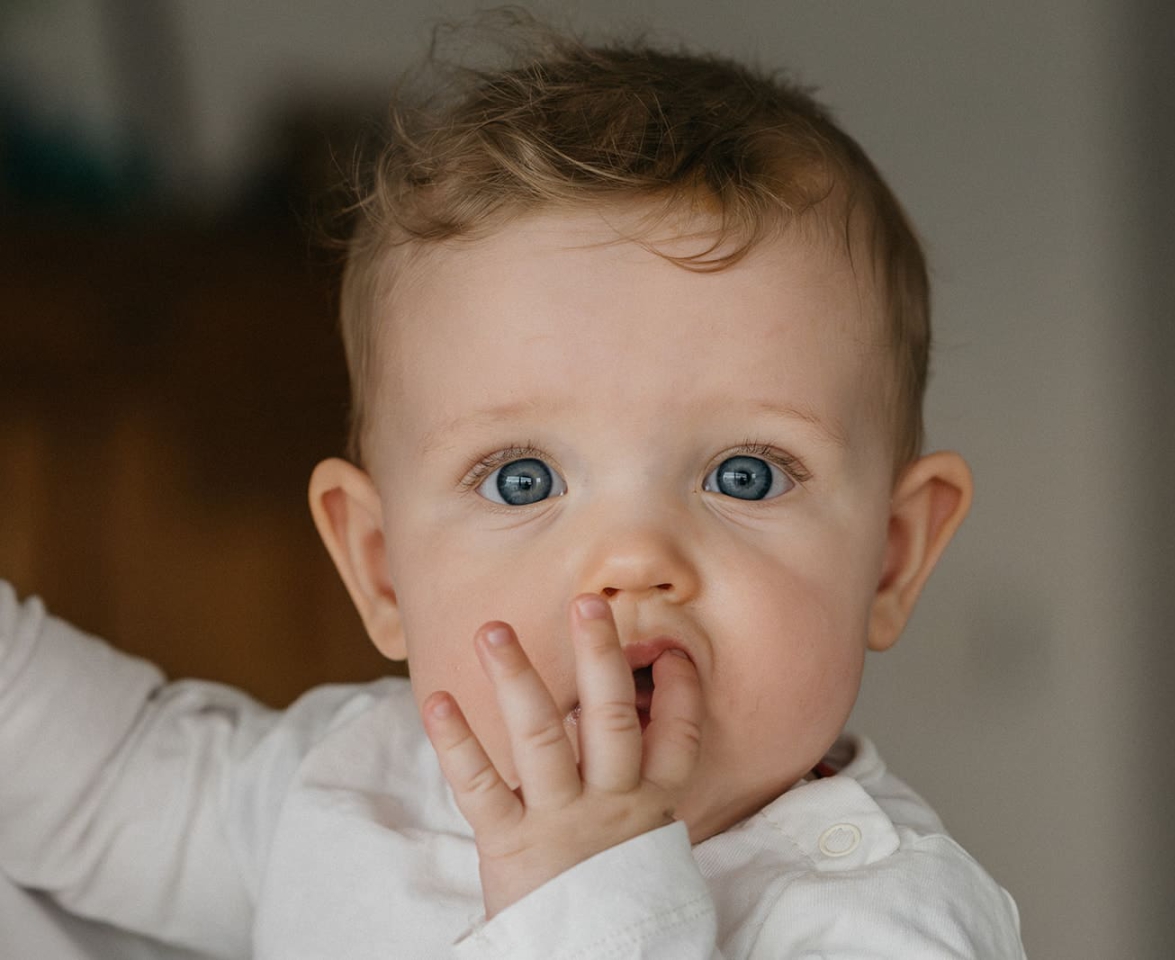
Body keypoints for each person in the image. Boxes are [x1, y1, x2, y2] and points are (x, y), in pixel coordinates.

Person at [0, 19, 1026, 960]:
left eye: (743, 474)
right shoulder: (360, 782)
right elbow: (103, 783)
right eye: (523, 476)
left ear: (890, 557)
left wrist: (590, 903)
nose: (633, 557)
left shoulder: (884, 921)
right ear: (378, 565)